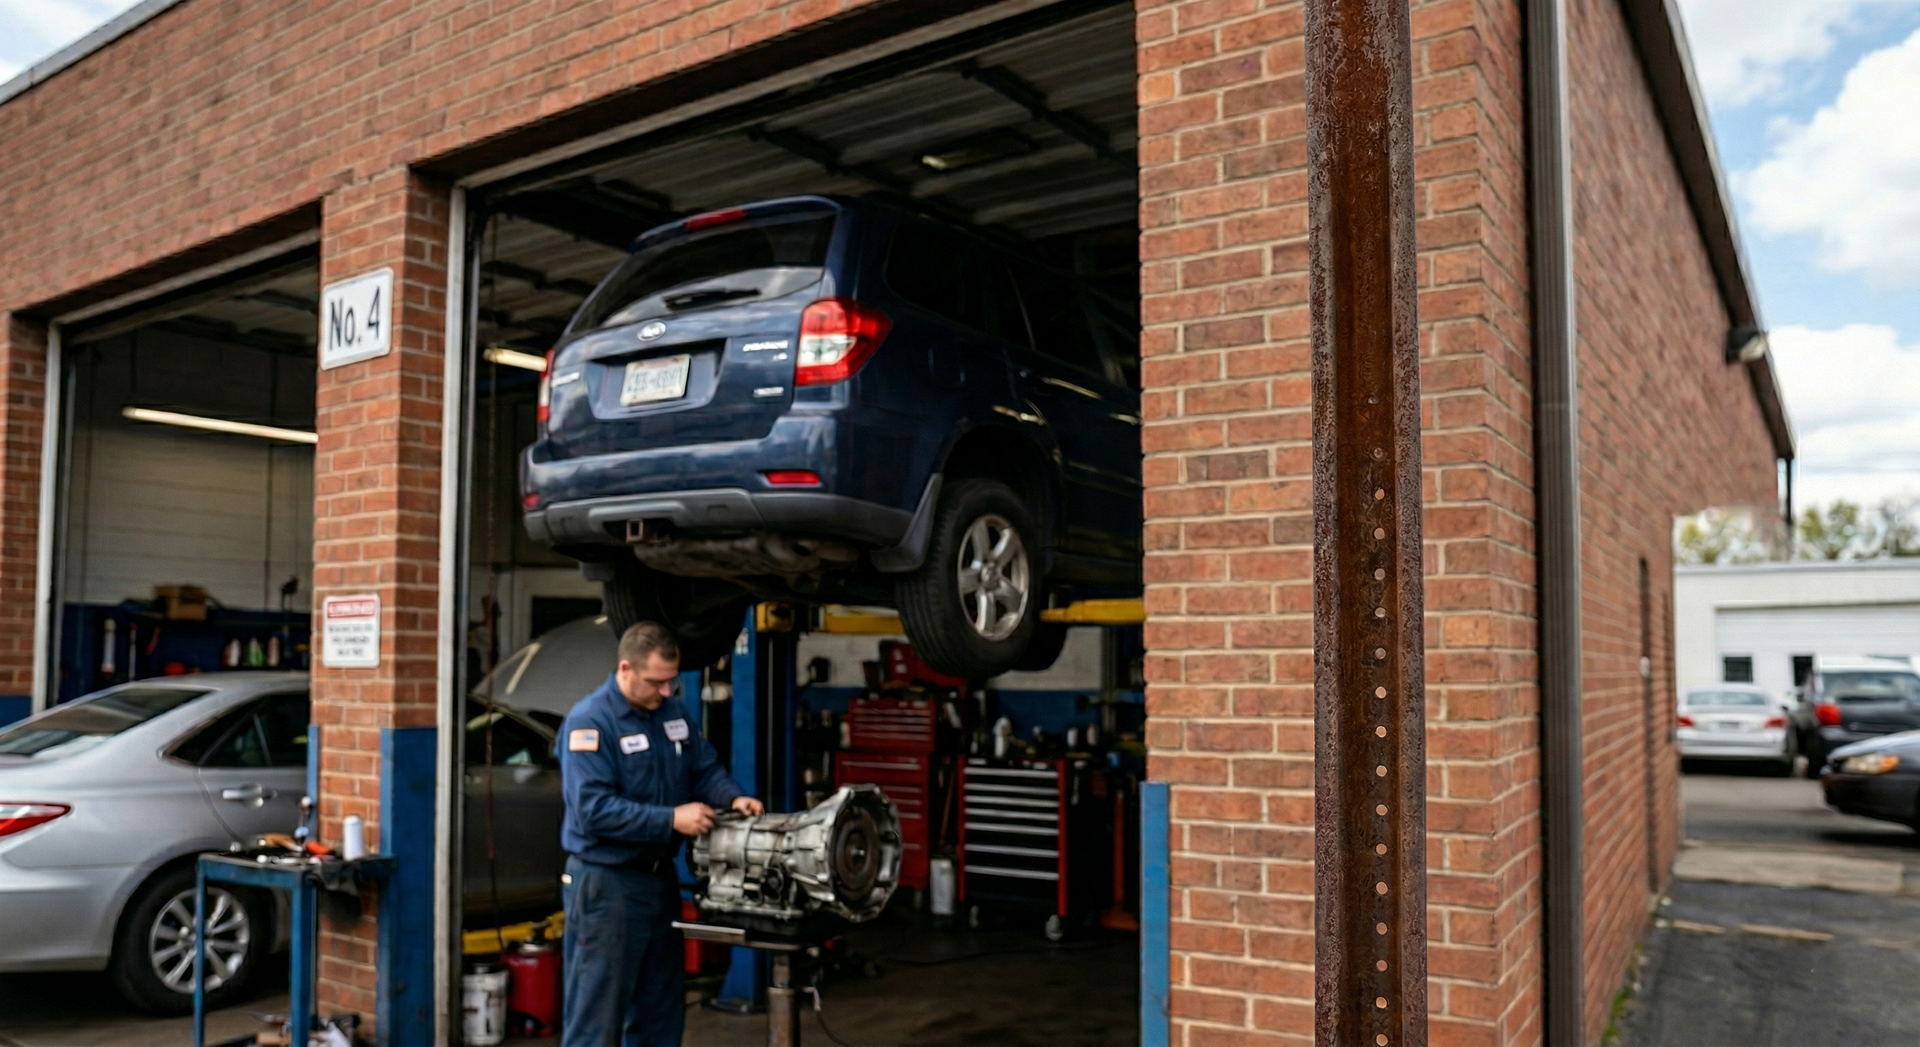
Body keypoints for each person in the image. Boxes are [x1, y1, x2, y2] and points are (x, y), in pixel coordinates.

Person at [557, 621, 762, 1046]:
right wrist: (671, 820)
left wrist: (732, 798)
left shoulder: (672, 711)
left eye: (672, 680)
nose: (666, 691)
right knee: (597, 1017)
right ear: (626, 668)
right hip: (606, 885)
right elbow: (593, 812)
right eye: (656, 682)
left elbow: (702, 768)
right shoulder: (591, 723)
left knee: (660, 1012)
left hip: (658, 881)